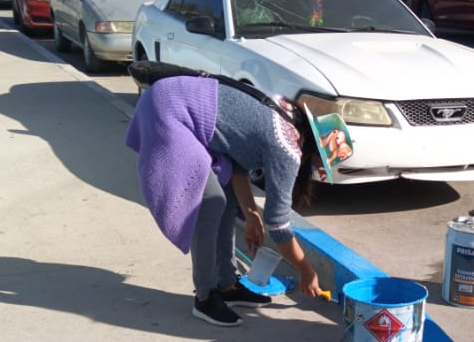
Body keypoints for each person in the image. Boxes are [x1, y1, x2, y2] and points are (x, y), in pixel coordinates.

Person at [125, 74, 350, 328]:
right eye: (320, 165)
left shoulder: (286, 114)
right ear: (315, 152)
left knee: (228, 201)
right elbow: (278, 226)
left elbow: (238, 161)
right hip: (168, 110)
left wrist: (251, 213)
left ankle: (227, 285)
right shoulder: (288, 148)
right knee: (210, 201)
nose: (317, 172)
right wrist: (306, 271)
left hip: (174, 99)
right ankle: (206, 296)